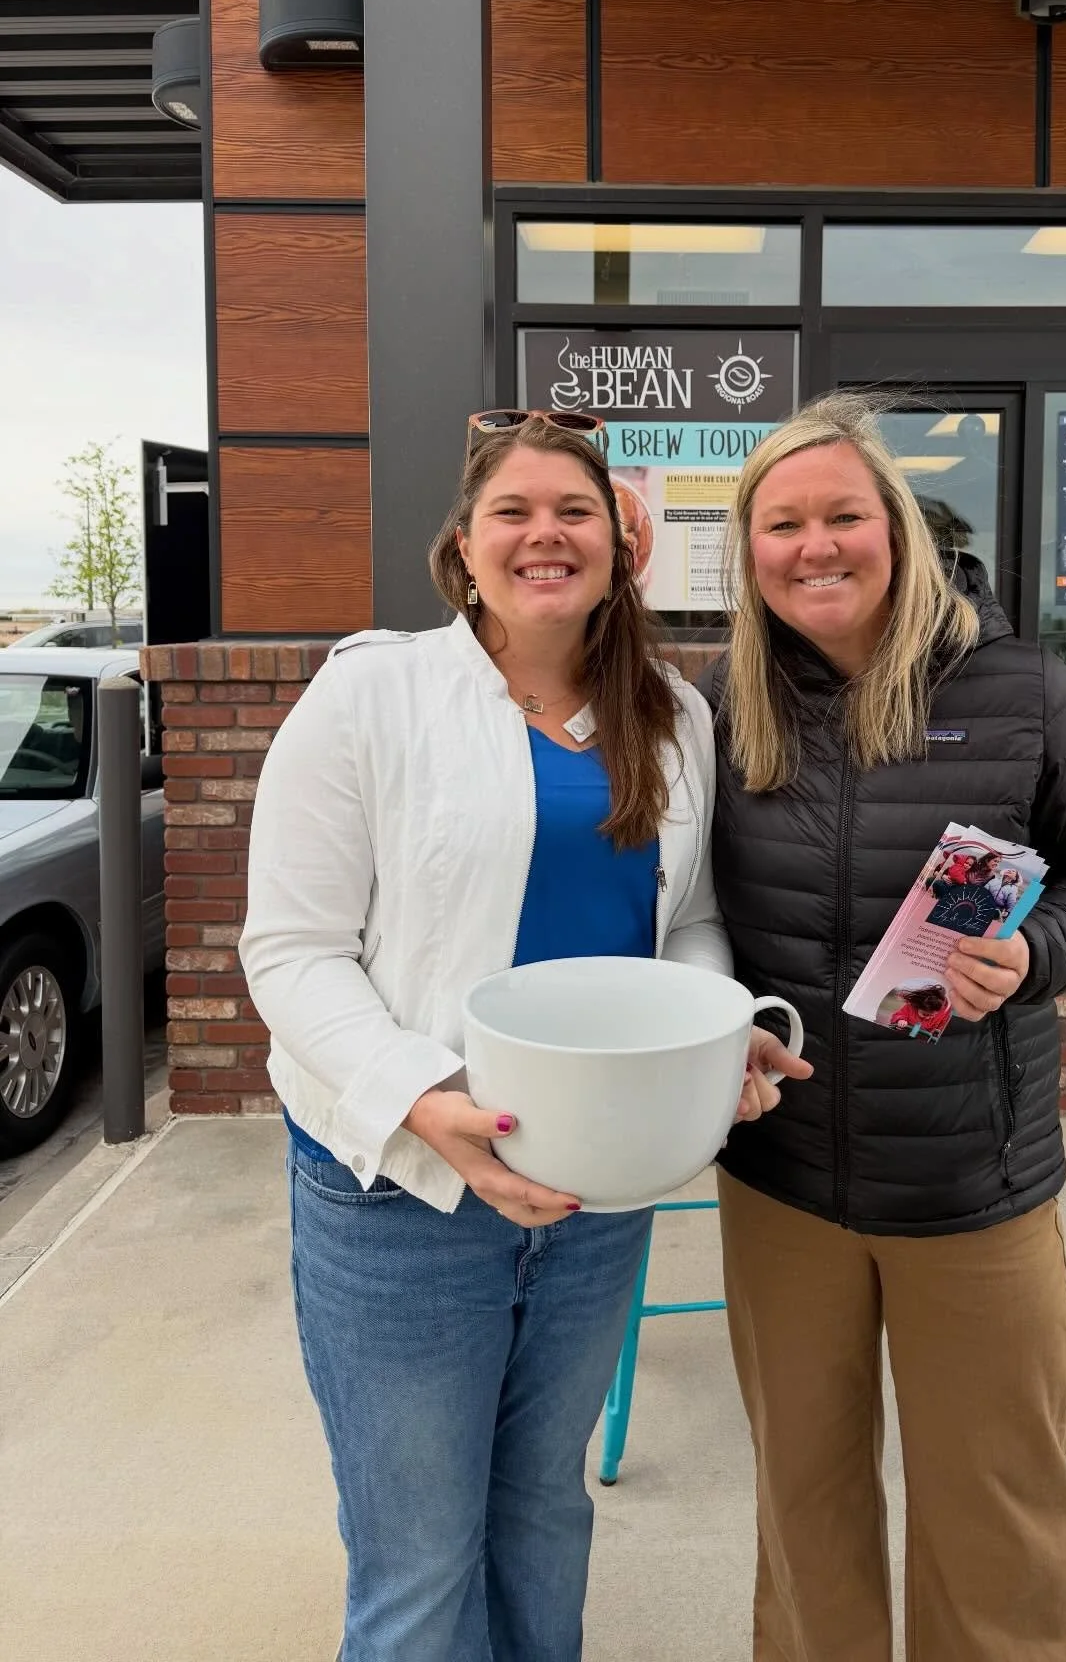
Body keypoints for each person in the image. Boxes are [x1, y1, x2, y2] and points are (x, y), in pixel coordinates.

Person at [239, 411, 804, 1662]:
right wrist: (424, 1096)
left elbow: (691, 921)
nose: (544, 533)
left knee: (544, 1513)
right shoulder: (372, 693)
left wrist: (712, 1040)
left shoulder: (672, 714)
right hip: (407, 1193)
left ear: (621, 544)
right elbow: (288, 951)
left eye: (574, 512)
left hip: (599, 1192)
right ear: (464, 546)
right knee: (419, 1558)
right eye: (514, 512)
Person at [703, 392, 1066, 1662]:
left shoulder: (1019, 691)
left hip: (973, 1184)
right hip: (784, 1179)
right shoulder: (726, 704)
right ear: (750, 553)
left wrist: (1031, 952)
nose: (816, 545)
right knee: (805, 1507)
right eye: (782, 524)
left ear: (893, 527)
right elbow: (684, 907)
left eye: (843, 513)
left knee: (996, 1514)